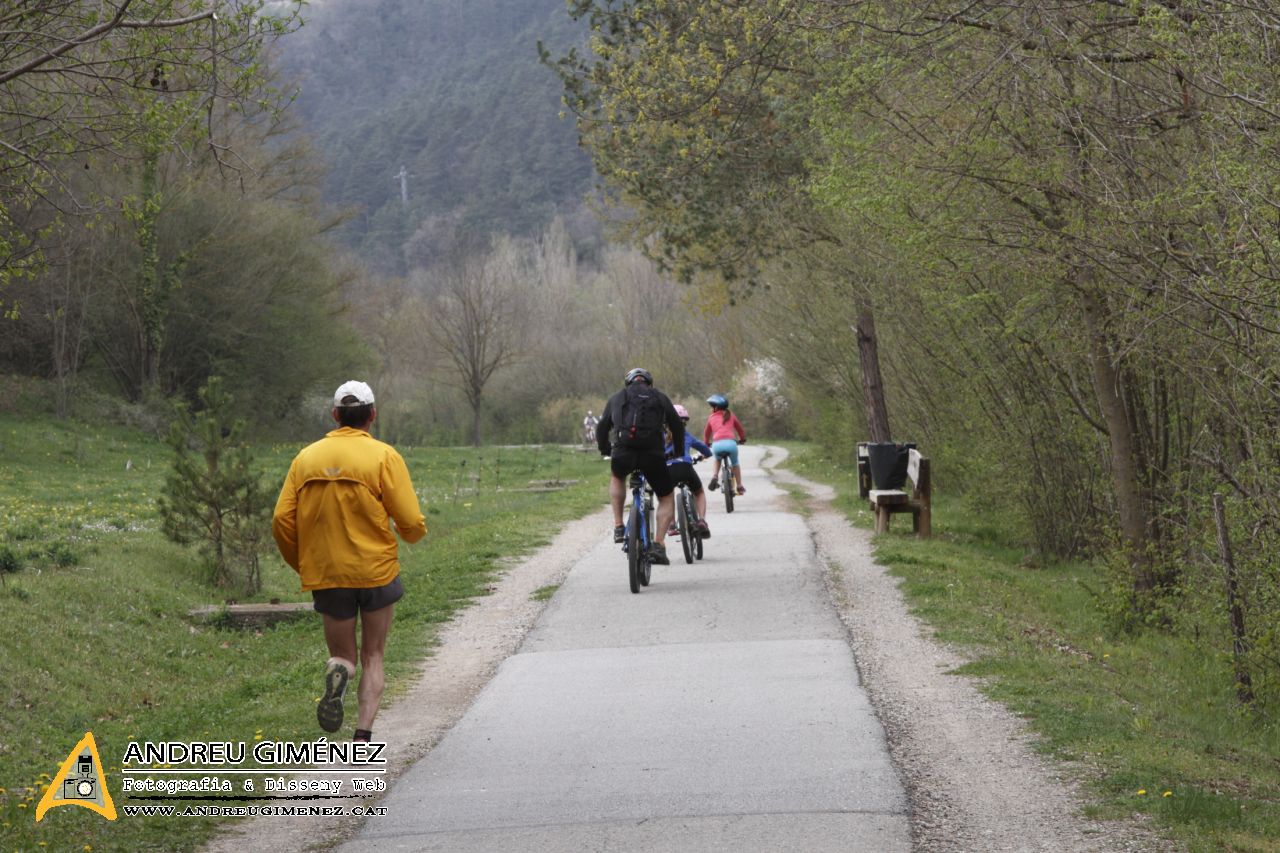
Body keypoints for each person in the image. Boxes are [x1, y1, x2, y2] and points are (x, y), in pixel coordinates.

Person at [272, 380, 427, 743]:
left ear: (335, 415)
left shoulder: (305, 458)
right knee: (374, 654)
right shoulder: (384, 457)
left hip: (328, 575)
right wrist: (412, 534)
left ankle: (338, 674)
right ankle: (362, 735)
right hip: (376, 572)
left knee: (343, 654)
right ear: (372, 415)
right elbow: (410, 520)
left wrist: (304, 563)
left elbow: (281, 520)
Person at [595, 368, 685, 565]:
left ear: (628, 383)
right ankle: (659, 545)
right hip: (653, 455)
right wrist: (678, 450)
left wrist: (605, 449)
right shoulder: (659, 397)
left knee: (618, 477)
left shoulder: (617, 398)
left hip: (623, 453)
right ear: (648, 383)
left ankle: (619, 526)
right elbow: (677, 425)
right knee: (666, 496)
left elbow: (602, 426)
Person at [665, 404, 713, 538]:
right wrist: (705, 455)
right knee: (699, 492)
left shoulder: (660, 436)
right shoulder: (687, 435)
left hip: (668, 470)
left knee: (666, 497)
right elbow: (706, 450)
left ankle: (672, 524)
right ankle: (702, 521)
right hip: (685, 467)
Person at [703, 393, 747, 496]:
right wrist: (742, 439)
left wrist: (706, 443)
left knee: (717, 459)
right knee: (735, 463)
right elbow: (740, 429)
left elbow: (706, 433)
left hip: (717, 445)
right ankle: (739, 486)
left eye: (712, 407)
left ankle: (714, 476)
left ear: (716, 407)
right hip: (731, 444)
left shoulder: (711, 417)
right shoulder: (731, 415)